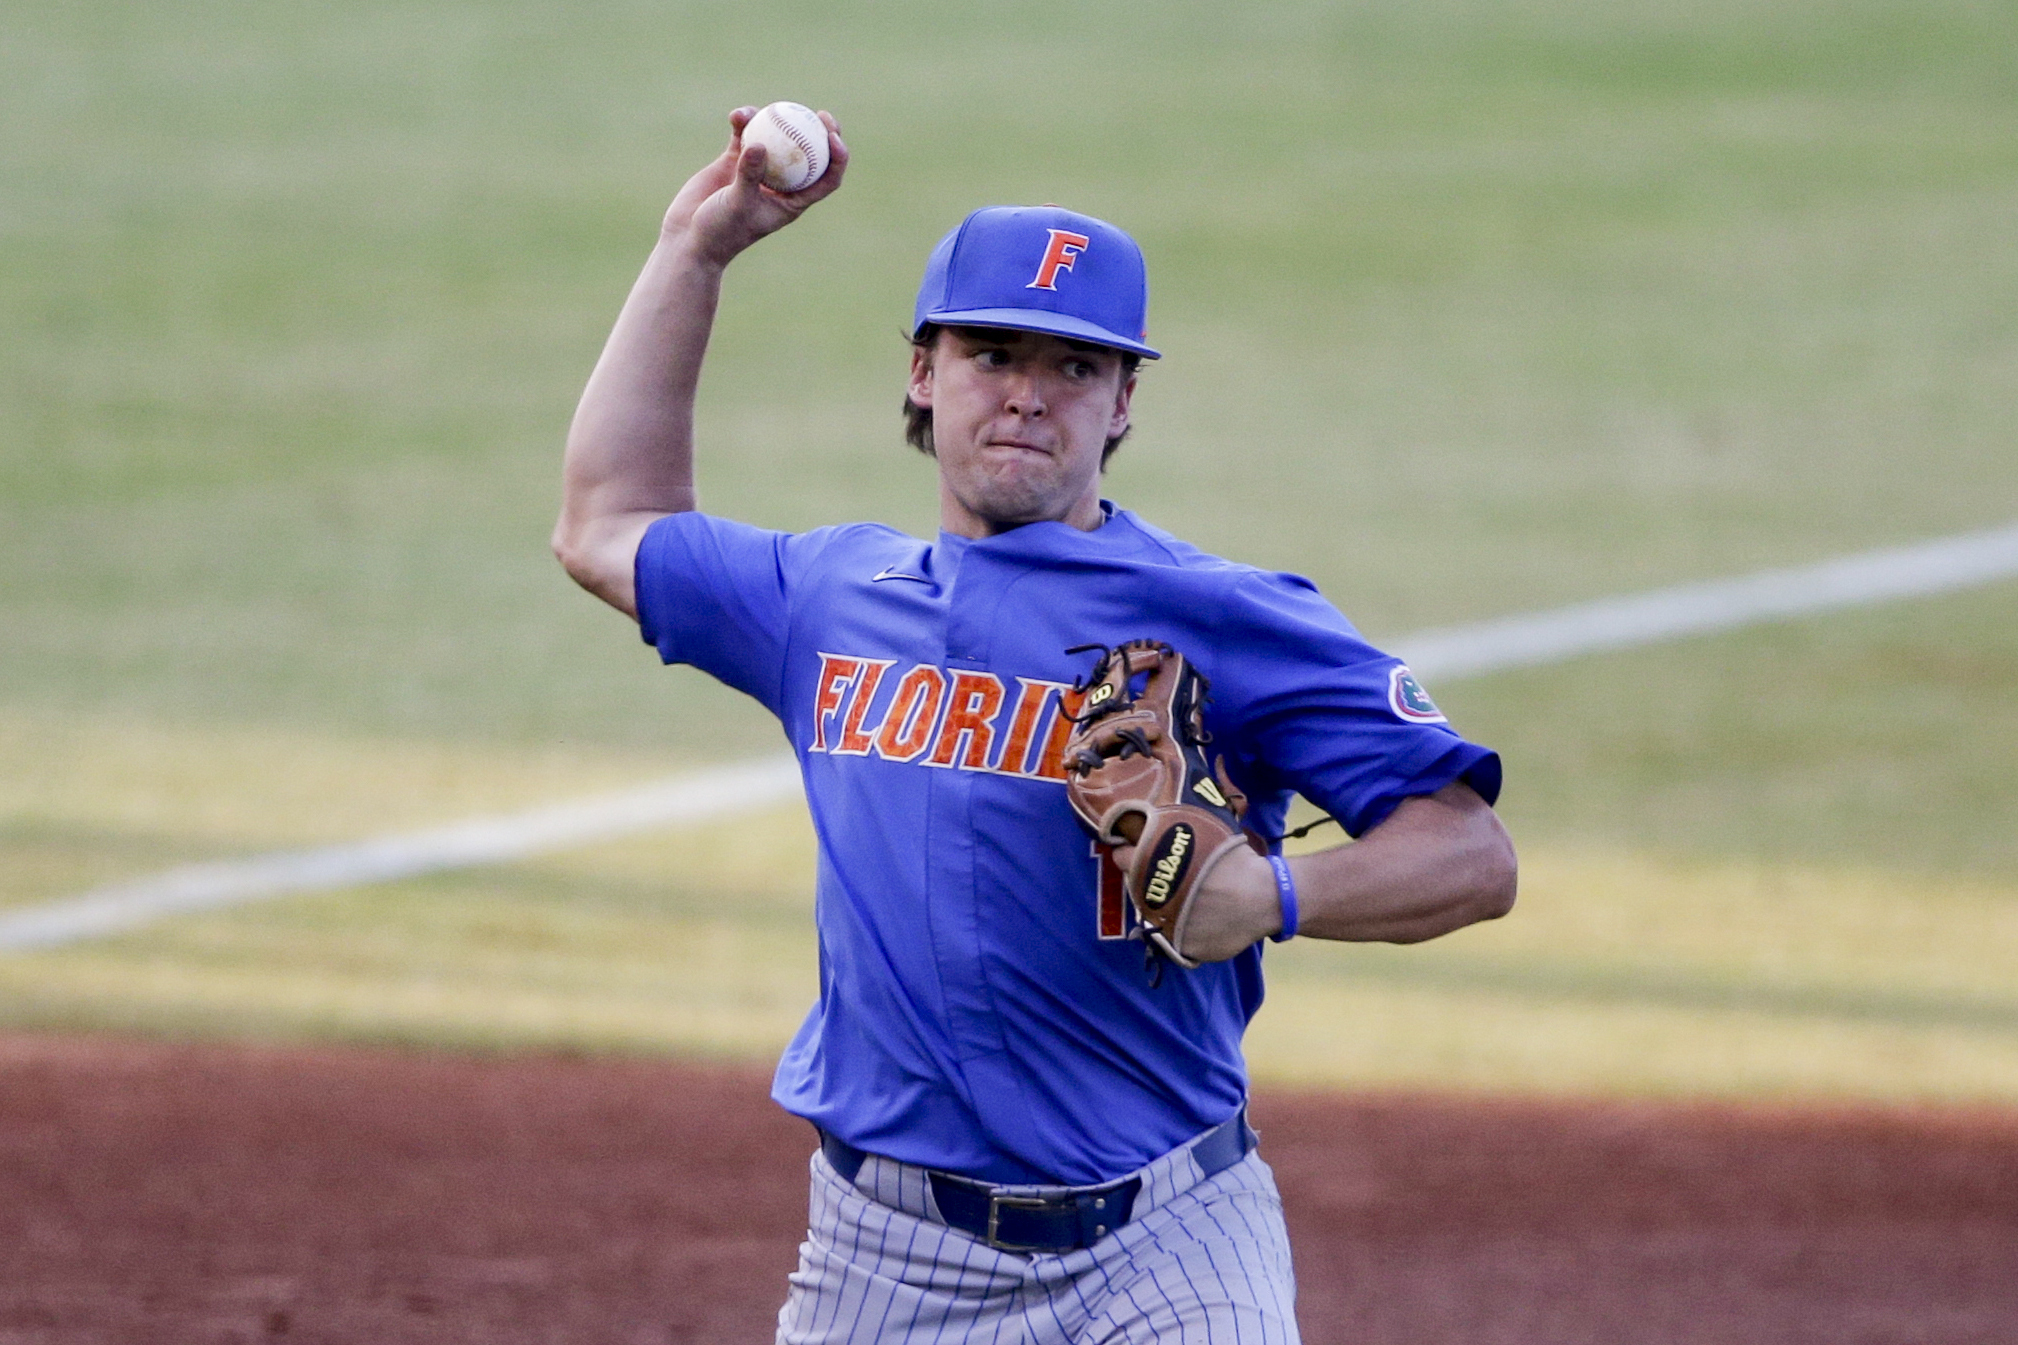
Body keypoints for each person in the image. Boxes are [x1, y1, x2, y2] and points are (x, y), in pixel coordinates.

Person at [555, 107, 1517, 1344]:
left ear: (1123, 401)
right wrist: (695, 251)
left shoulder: (1223, 617)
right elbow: (604, 522)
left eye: (1073, 367)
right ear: (922, 372)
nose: (1027, 396)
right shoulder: (827, 601)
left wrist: (1273, 896)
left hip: (1168, 1237)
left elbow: (1472, 853)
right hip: (881, 1255)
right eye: (992, 354)